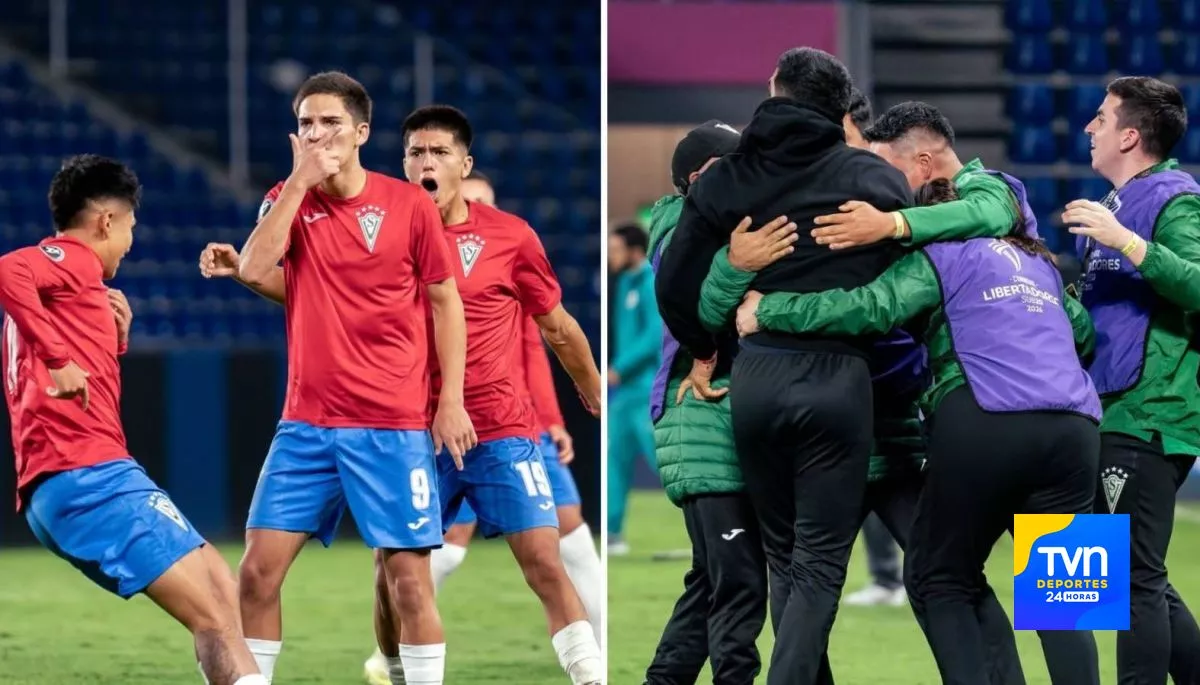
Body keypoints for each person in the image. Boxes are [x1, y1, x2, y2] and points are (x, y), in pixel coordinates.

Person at [737, 178, 1101, 685]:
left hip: (986, 417)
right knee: (1069, 604)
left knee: (938, 577)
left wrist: (771, 310)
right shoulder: (1042, 265)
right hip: (1077, 429)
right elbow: (1082, 334)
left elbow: (869, 308)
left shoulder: (943, 256)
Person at [201, 71, 476, 685]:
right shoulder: (288, 196)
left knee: (407, 582)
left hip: (392, 424)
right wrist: (300, 181)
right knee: (257, 573)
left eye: (329, 122)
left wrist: (450, 400)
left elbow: (444, 302)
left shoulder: (408, 206)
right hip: (306, 425)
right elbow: (256, 265)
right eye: (305, 124)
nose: (317, 134)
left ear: (361, 131)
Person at [654, 47, 912, 685]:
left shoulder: (731, 185)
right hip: (1073, 431)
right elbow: (900, 300)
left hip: (768, 386)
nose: (1088, 130)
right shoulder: (903, 202)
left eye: (1099, 121)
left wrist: (747, 325)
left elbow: (676, 293)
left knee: (787, 562)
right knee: (949, 577)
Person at [0, 155, 266, 685]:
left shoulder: (76, 289)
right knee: (213, 617)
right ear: (105, 220)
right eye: (130, 227)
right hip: (83, 476)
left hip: (92, 473)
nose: (130, 242)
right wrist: (60, 358)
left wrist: (113, 340)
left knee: (220, 585)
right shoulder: (70, 259)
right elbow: (6, 269)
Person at [376, 104, 603, 685]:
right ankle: (398, 671)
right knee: (395, 578)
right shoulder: (379, 235)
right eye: (416, 152)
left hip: (500, 429)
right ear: (403, 164)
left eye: (439, 152)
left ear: (464, 163)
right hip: (409, 433)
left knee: (545, 563)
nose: (426, 161)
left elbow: (555, 325)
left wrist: (590, 386)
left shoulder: (509, 236)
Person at [1062, 75, 1200, 685]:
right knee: (1111, 577)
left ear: (1130, 134)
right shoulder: (1118, 203)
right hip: (1104, 408)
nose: (1089, 128)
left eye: (1100, 117)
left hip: (1148, 410)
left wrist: (1129, 244)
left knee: (1129, 580)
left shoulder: (1176, 198)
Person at [643, 121, 792, 685]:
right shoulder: (681, 231)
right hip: (1076, 426)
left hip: (1071, 426)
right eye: (734, 163)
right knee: (743, 580)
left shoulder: (1002, 221)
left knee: (717, 580)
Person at [607, 222, 661, 555]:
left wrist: (619, 367)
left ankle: (710, 527)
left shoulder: (651, 282)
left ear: (635, 252)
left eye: (616, 249)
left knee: (662, 461)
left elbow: (654, 335)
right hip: (624, 393)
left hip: (645, 388)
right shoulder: (625, 281)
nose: (611, 255)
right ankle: (612, 533)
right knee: (615, 460)